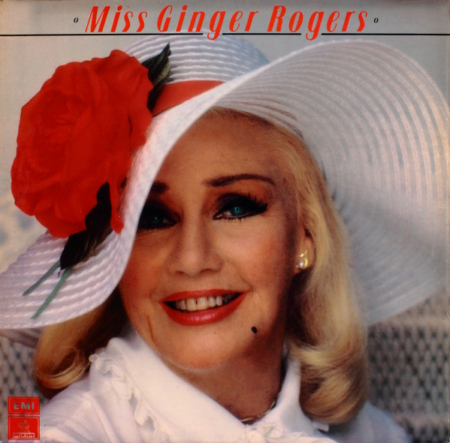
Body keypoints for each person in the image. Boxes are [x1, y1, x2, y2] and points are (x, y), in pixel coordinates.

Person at [0, 34, 447, 442]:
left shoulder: (376, 435)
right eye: (153, 217)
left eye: (235, 207)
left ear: (305, 236)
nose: (192, 258)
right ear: (111, 260)